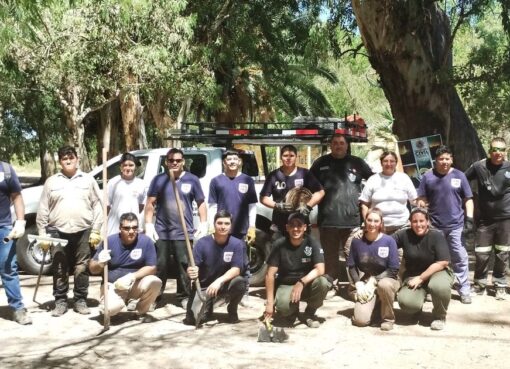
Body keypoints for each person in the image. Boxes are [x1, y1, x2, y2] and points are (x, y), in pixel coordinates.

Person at [36, 146, 103, 317]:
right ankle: (60, 301)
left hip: (84, 230)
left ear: (77, 158)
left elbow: (97, 205)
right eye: (64, 158)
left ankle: (80, 300)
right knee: (59, 267)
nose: (68, 160)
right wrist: (42, 234)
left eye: (70, 157)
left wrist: (96, 229)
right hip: (57, 231)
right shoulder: (51, 182)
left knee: (82, 267)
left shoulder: (88, 180)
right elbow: (43, 208)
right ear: (60, 161)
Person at [144, 148, 207, 307]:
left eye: (178, 160)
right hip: (162, 232)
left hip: (183, 232)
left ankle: (184, 297)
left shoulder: (192, 180)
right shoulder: (158, 180)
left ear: (183, 162)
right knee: (160, 266)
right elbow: (150, 203)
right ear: (166, 162)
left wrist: (204, 222)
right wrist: (148, 224)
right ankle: (155, 297)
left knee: (184, 266)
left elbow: (200, 203)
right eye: (171, 160)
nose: (174, 163)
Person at [310, 133, 373, 283]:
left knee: (353, 255)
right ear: (330, 145)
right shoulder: (320, 163)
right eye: (335, 143)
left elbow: (373, 181)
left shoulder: (357, 163)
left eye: (342, 143)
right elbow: (308, 185)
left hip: (352, 221)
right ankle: (331, 284)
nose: (338, 146)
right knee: (330, 256)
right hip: (327, 221)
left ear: (347, 146)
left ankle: (355, 287)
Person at [417, 145, 474, 304]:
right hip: (435, 226)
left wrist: (469, 219)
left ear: (451, 159)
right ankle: (430, 288)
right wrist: (421, 204)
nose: (444, 162)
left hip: (456, 225)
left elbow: (468, 199)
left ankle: (464, 290)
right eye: (441, 159)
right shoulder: (428, 177)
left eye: (447, 158)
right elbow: (421, 198)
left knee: (460, 257)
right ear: (436, 160)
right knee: (433, 258)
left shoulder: (460, 175)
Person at [89, 212, 161, 320]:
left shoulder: (146, 242)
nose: (131, 231)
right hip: (113, 285)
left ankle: (141, 312)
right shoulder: (109, 241)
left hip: (134, 284)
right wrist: (100, 263)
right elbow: (92, 269)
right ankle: (114, 303)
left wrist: (131, 277)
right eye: (127, 228)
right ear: (120, 228)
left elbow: (152, 267)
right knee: (108, 310)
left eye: (134, 228)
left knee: (155, 282)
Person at [208, 150, 258, 306]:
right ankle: (221, 295)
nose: (232, 162)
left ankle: (244, 294)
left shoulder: (247, 180)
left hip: (241, 230)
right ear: (224, 162)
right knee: (221, 262)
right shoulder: (216, 181)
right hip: (222, 230)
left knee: (243, 263)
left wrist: (252, 226)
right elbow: (212, 205)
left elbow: (252, 206)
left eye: (235, 159)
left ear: (240, 162)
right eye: (228, 159)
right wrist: (212, 225)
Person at [264, 212, 329, 328]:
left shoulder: (312, 242)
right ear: (287, 227)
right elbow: (270, 275)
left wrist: (301, 282)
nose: (295, 229)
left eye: (299, 225)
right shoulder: (279, 245)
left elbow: (320, 269)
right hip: (286, 284)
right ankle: (292, 313)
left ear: (304, 228)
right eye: (292, 225)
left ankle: (309, 313)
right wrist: (269, 303)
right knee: (284, 308)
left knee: (323, 283)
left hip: (306, 284)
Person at [465, 137, 510, 299]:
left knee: (502, 253)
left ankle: (500, 284)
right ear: (489, 151)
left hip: (506, 220)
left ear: (505, 151)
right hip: (484, 220)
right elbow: (463, 180)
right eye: (494, 149)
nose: (498, 153)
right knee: (481, 253)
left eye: (501, 150)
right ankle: (480, 285)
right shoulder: (479, 166)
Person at [395, 207, 454, 331]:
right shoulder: (404, 234)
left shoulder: (436, 235)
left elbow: (443, 262)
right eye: (415, 221)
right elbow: (385, 242)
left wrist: (421, 278)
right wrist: (366, 233)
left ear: (428, 222)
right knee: (406, 302)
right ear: (410, 222)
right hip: (413, 275)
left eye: (422, 221)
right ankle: (416, 308)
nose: (418, 224)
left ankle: (440, 316)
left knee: (439, 287)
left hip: (438, 273)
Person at [184, 210, 247, 325]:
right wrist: (192, 271)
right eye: (220, 223)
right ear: (214, 224)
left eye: (227, 224)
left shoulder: (237, 244)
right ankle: (208, 306)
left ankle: (232, 309)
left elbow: (237, 269)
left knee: (240, 282)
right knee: (191, 320)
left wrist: (219, 281)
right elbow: (192, 267)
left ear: (231, 225)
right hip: (204, 287)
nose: (223, 227)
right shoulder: (202, 243)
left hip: (223, 284)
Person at [347, 208, 400, 331]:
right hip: (366, 281)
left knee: (384, 285)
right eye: (369, 220)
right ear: (365, 221)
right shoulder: (356, 241)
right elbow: (351, 265)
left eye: (376, 221)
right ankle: (375, 307)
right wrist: (358, 283)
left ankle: (387, 319)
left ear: (381, 223)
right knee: (360, 321)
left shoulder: (389, 241)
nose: (372, 224)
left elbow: (394, 268)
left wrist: (374, 281)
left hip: (387, 279)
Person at [260, 144, 324, 239]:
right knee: (279, 253)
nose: (288, 158)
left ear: (296, 157)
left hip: (301, 224)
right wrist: (277, 206)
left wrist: (308, 207)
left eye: (291, 156)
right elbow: (263, 198)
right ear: (281, 157)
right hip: (279, 225)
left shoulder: (305, 173)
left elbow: (320, 192)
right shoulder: (273, 175)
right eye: (285, 156)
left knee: (302, 253)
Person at [0, 160, 31, 324]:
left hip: (3, 228)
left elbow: (17, 196)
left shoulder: (5, 169)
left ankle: (18, 309)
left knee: (8, 268)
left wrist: (20, 221)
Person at [359, 151, 417, 233]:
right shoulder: (373, 179)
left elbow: (414, 201)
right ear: (381, 163)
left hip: (402, 226)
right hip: (379, 228)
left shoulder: (404, 178)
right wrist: (367, 224)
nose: (388, 164)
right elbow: (364, 204)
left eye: (392, 161)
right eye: (385, 161)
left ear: (396, 163)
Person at [107, 153, 146, 236]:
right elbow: (106, 206)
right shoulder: (113, 182)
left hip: (132, 229)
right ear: (121, 167)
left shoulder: (141, 184)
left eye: (131, 165)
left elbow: (141, 206)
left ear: (135, 167)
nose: (128, 168)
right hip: (114, 228)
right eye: (125, 165)